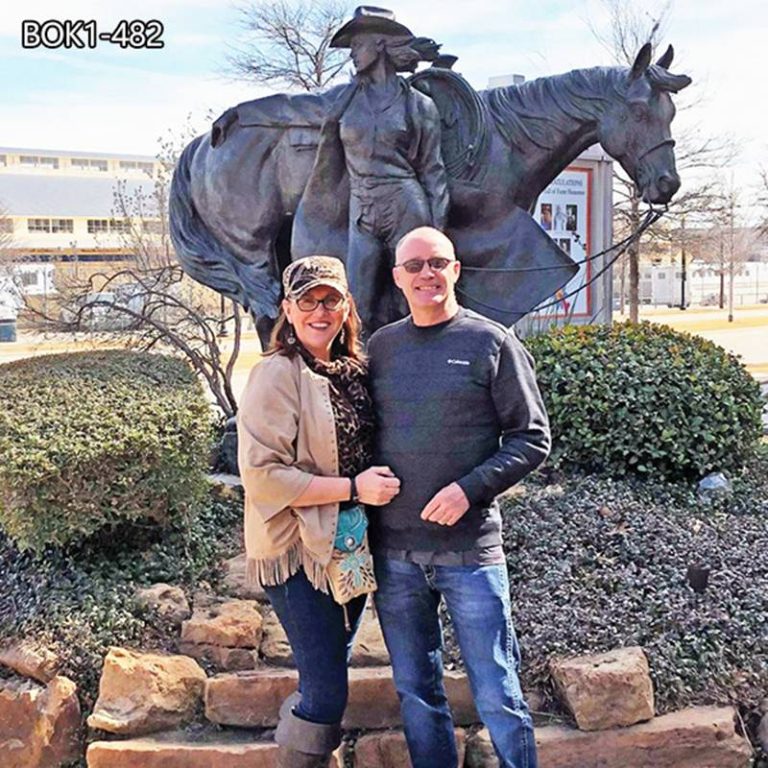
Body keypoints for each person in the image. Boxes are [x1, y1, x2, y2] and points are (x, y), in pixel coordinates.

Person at [367, 227, 550, 768]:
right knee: (418, 695)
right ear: (398, 278)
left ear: (455, 270)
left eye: (437, 263)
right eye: (415, 265)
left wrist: (468, 490)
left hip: (470, 554)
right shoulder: (382, 347)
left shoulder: (491, 342)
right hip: (395, 555)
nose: (427, 274)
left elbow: (531, 437)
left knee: (498, 694)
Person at [238, 255, 401, 768]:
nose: (319, 309)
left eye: (330, 298)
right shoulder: (276, 374)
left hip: (349, 544)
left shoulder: (354, 370)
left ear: (346, 304)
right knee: (327, 693)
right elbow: (262, 474)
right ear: (288, 308)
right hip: (298, 550)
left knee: (326, 676)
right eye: (307, 300)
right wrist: (353, 487)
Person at [328, 6, 449, 331]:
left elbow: (432, 172)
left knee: (413, 301)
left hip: (406, 208)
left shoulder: (418, 105)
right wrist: (243, 114)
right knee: (356, 304)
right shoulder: (344, 100)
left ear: (379, 44)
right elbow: (292, 107)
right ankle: (356, 374)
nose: (352, 54)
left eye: (357, 45)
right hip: (362, 211)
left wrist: (435, 237)